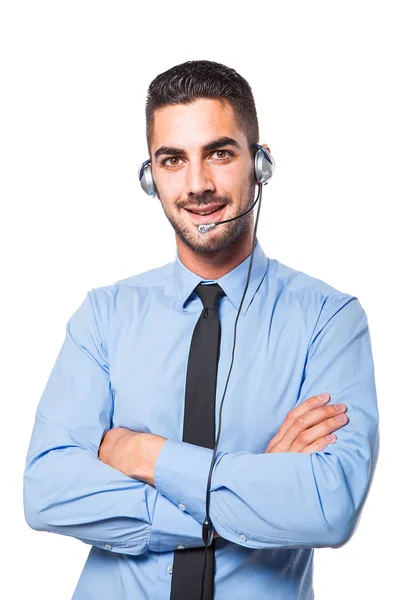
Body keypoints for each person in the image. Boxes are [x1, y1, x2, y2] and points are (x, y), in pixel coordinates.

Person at [23, 60, 380, 600]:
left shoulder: (330, 320)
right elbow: (47, 492)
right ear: (151, 176)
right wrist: (246, 494)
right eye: (173, 160)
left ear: (260, 164)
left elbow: (329, 506)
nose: (198, 185)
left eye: (219, 152)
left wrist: (148, 456)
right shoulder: (103, 316)